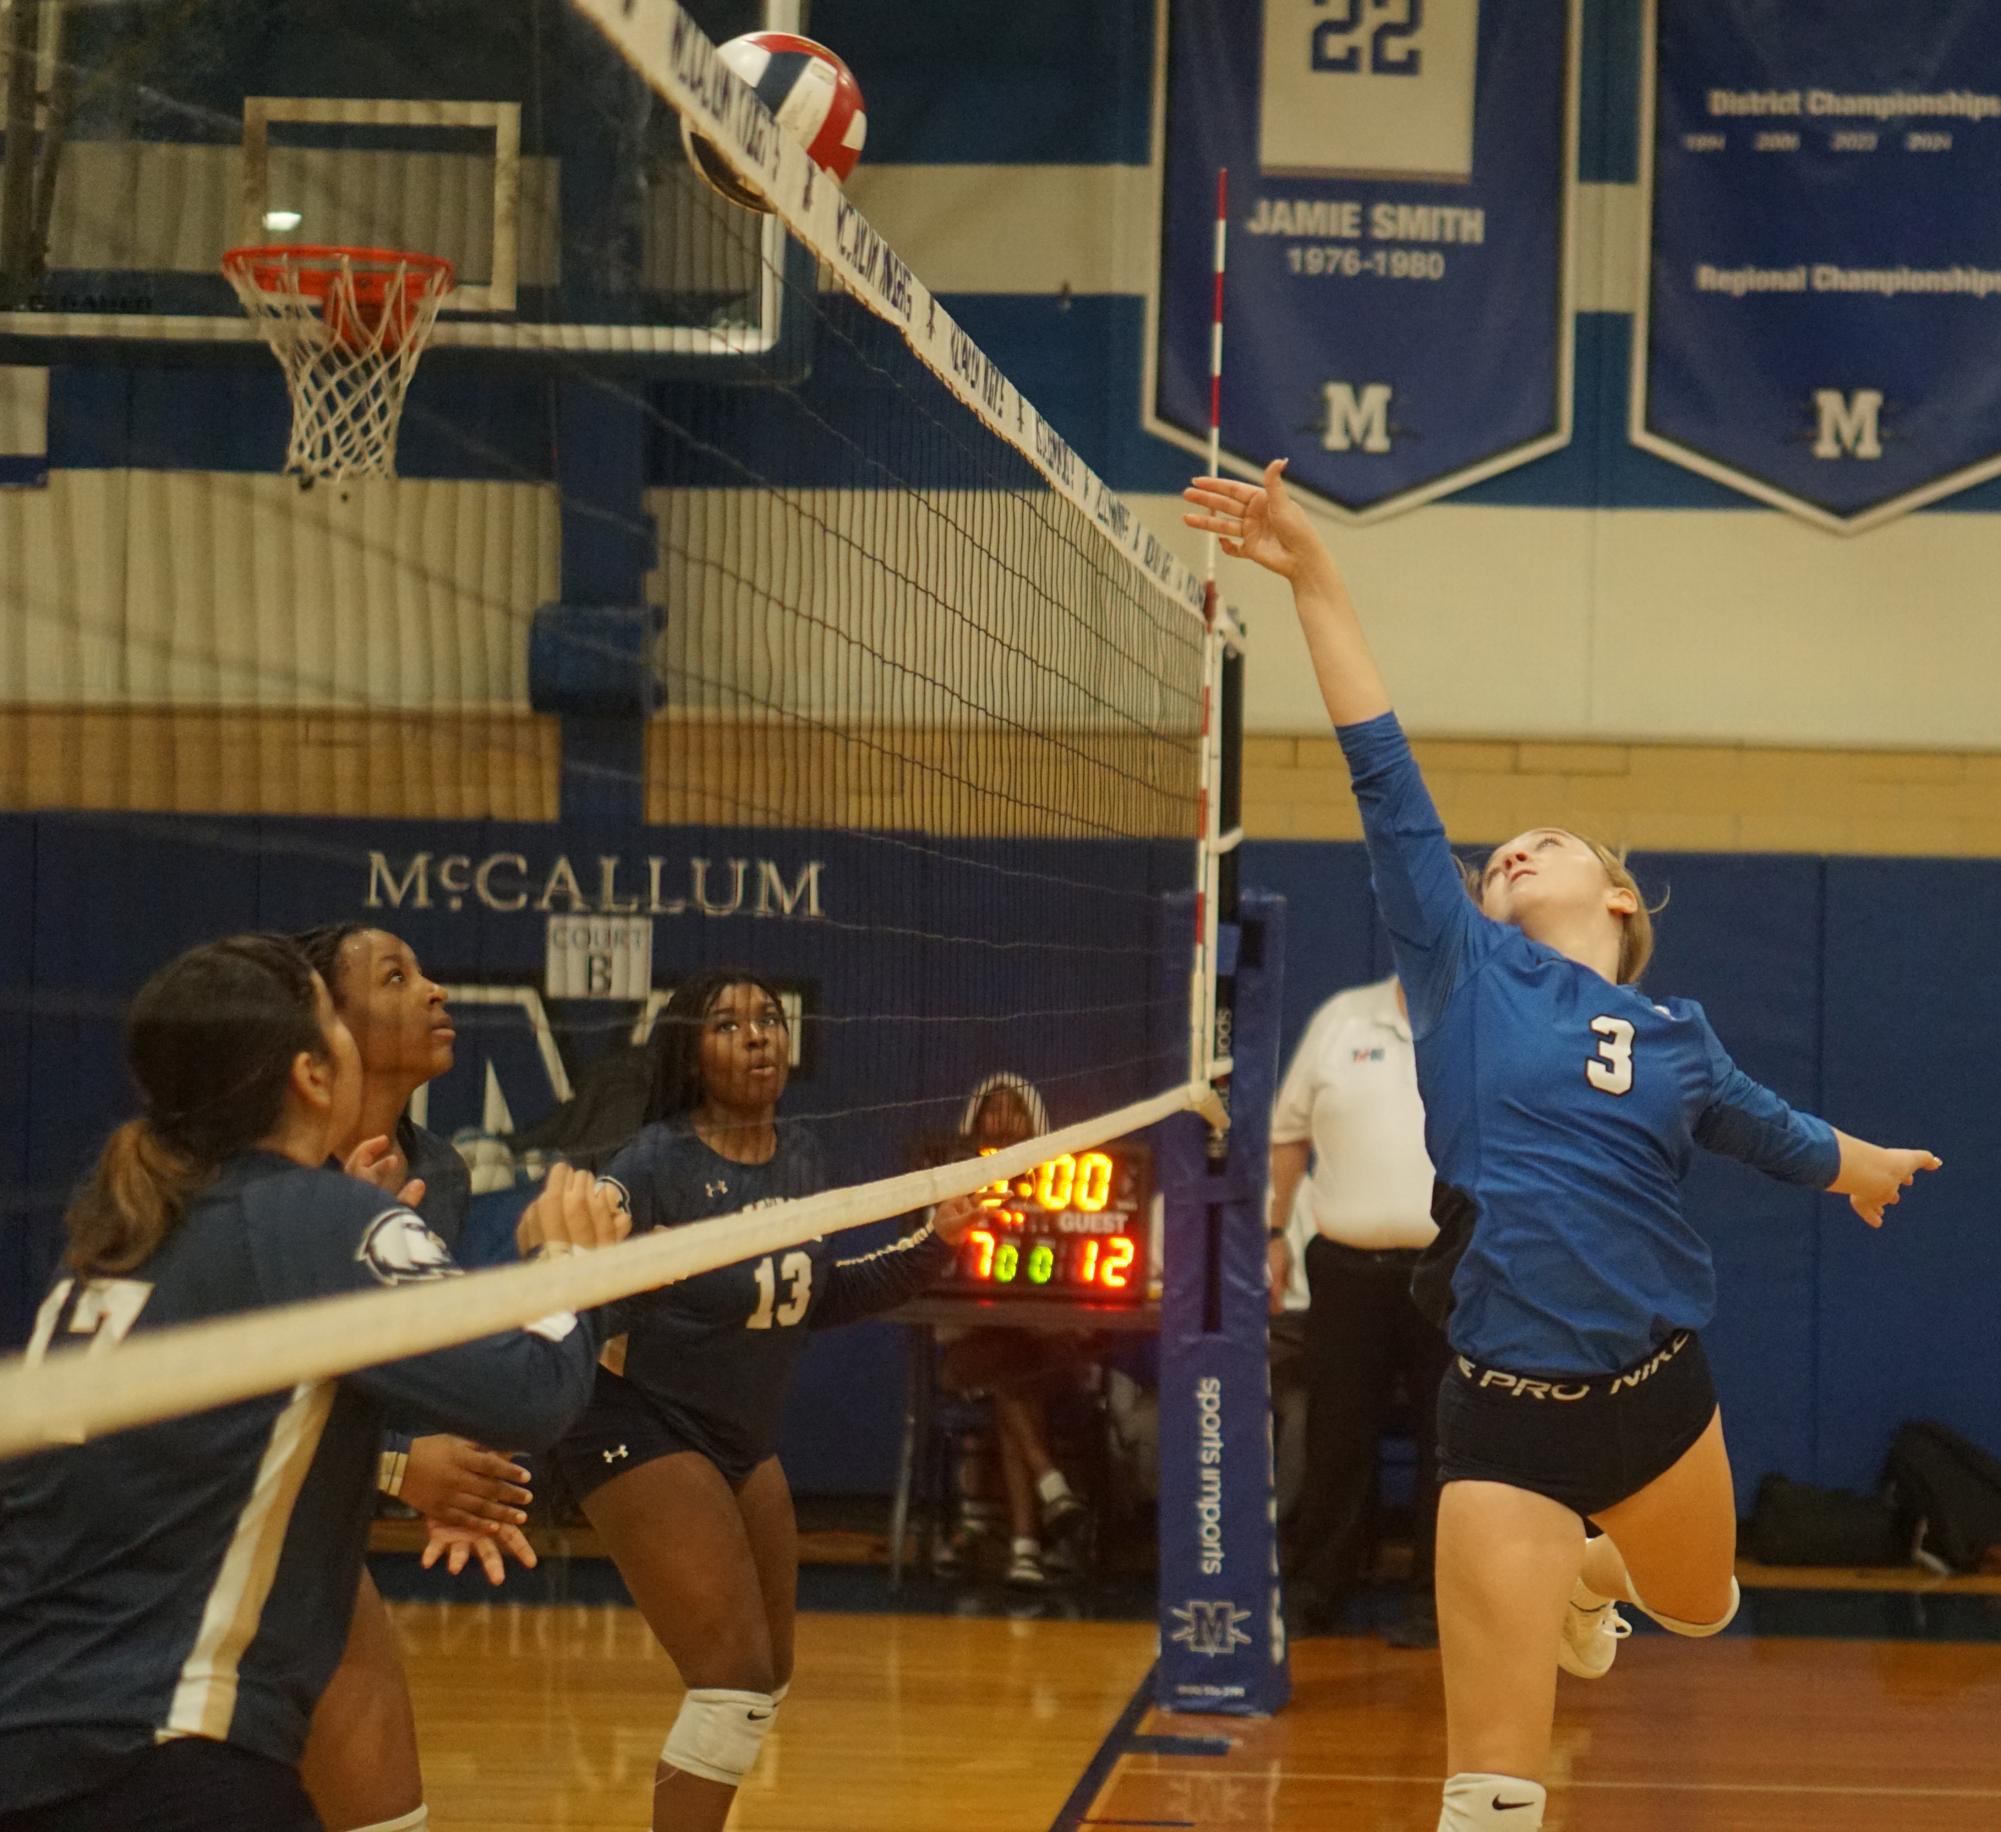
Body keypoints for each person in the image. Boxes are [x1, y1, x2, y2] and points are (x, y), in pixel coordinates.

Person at [1184, 462, 1939, 1832]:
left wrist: (1858, 1165)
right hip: (1501, 1417)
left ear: (1621, 891)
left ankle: (1594, 1578)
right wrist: (1314, 572)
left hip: (1657, 1388)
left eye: (1548, 842)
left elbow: (1771, 1130)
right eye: (1498, 855)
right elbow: (1383, 768)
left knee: (1699, 1608)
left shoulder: (1680, 1038)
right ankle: (1554, 1578)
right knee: (1490, 1789)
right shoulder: (1463, 973)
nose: (1511, 852)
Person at [0, 933, 627, 1832]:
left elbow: (216, 1440)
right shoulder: (319, 1216)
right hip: (168, 1755)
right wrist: (568, 1268)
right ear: (310, 1074)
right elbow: (535, 1394)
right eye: (336, 1018)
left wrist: (395, 1459)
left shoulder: (116, 1241)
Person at [551, 968, 978, 1832]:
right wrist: (617, 1269)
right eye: (727, 1025)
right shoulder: (654, 1164)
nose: (757, 1036)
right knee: (732, 1684)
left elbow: (815, 1295)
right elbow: (577, 1303)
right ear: (690, 1051)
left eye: (769, 1020)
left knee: (764, 1681)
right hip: (636, 1419)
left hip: (737, 1436)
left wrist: (938, 1245)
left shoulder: (804, 1156)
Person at [292, 924, 535, 1832]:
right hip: (184, 1539)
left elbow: (399, 1368)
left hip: (306, 1531)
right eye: (399, 977)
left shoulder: (438, 1171)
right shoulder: (261, 1177)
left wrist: (431, 1461)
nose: (437, 991)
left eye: (427, 971)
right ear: (329, 1029)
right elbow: (226, 1393)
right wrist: (400, 1467)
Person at [1268, 972, 1449, 1647]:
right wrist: (1271, 1233)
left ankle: (1436, 1601)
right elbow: (1287, 1136)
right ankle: (1318, 1590)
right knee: (1336, 1436)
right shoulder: (1342, 1019)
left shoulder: (1485, 1018)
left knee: (1449, 1444)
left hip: (1452, 1272)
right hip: (1344, 1268)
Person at [934, 1073, 1090, 1588]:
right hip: (968, 1347)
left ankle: (1025, 1544)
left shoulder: (1059, 1188)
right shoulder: (953, 1186)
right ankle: (1046, 1498)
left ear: (1035, 1121)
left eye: (1014, 1110)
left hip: (1038, 1349)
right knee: (1009, 1371)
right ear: (975, 1122)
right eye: (992, 1111)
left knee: (1014, 1380)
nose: (1003, 1121)